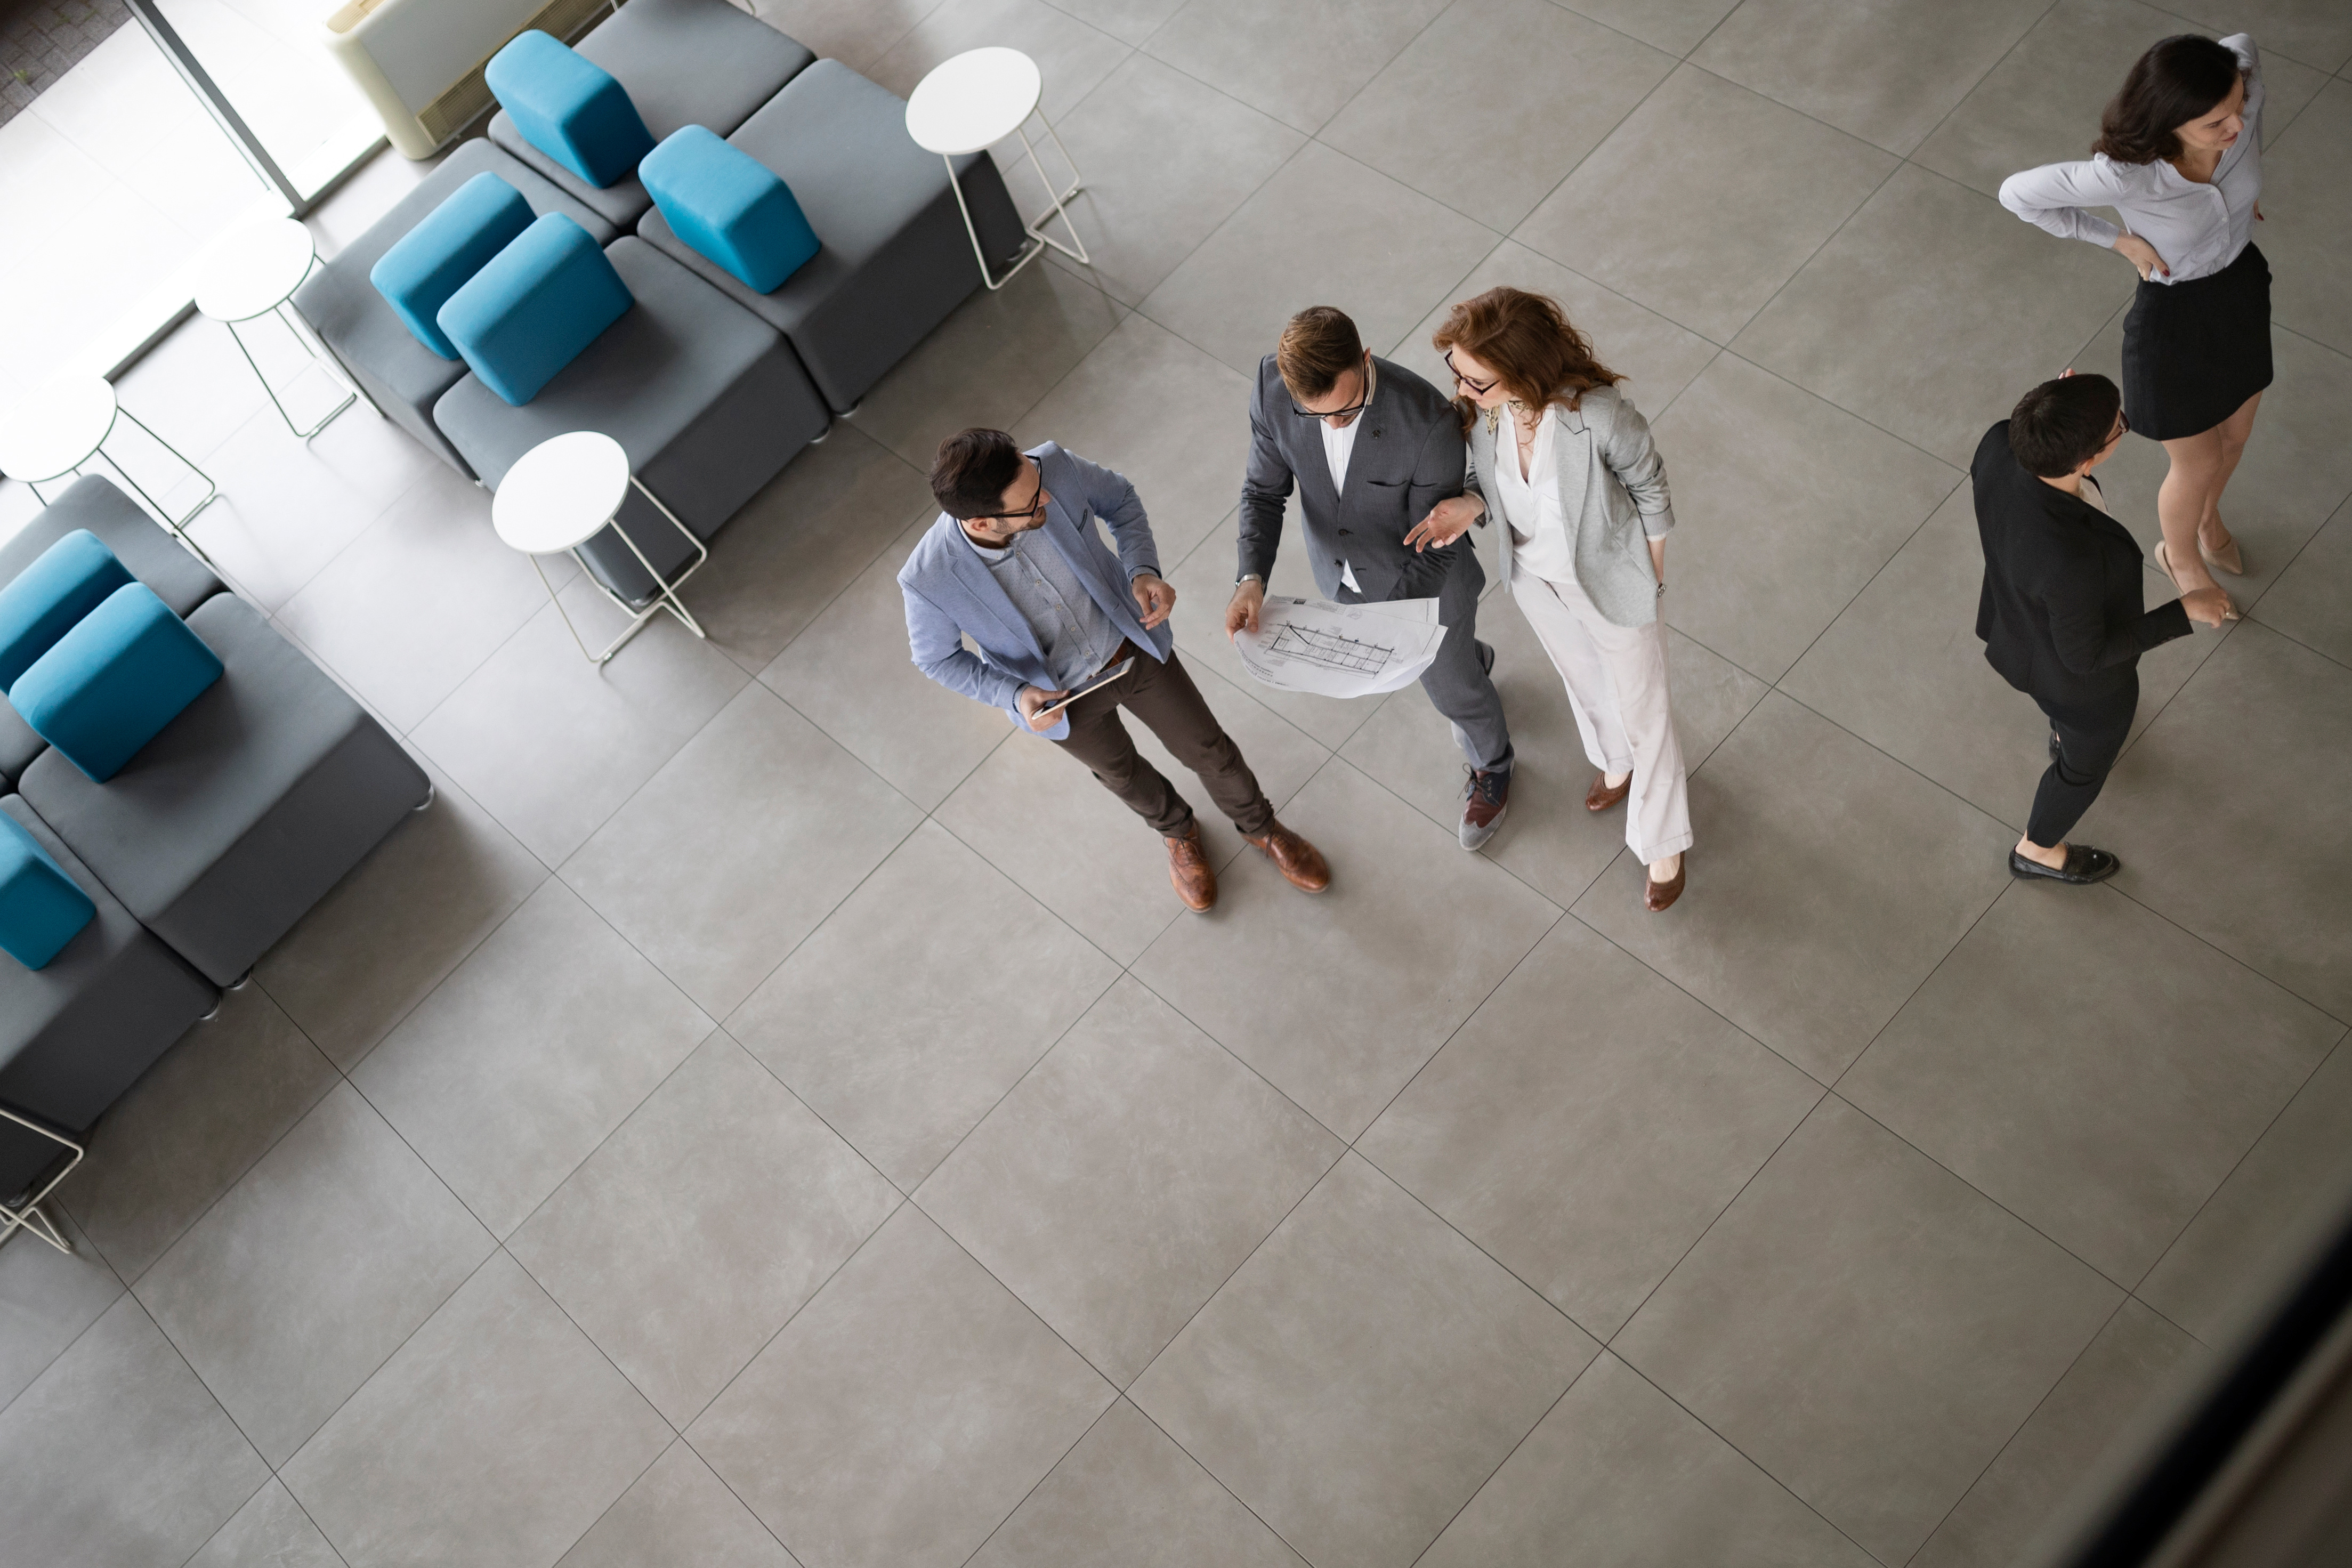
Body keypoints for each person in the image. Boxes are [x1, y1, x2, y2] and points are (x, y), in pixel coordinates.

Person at [901, 429, 1328, 912]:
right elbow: (935, 658)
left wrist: (1141, 569)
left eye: (1035, 479)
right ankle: (1177, 832)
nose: (1045, 495)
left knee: (1210, 749)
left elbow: (1121, 500)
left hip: (1130, 646)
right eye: (1029, 503)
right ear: (981, 523)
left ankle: (1260, 828)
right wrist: (1014, 695)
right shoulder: (927, 578)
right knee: (1122, 774)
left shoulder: (1052, 466)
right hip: (1061, 701)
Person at [1428, 287, 1691, 911]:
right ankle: (1613, 761)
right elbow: (1487, 482)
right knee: (1583, 679)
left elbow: (1651, 489)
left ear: (1521, 368)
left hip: (1610, 582)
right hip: (1533, 577)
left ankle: (1664, 840)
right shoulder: (1486, 414)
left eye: (1477, 380)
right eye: (1458, 374)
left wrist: (1649, 582)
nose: (1463, 391)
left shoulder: (1595, 415)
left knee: (1646, 708)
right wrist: (1471, 503)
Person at [1999, 33, 2272, 609]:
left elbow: (2240, 43)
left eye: (2236, 107)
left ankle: (2206, 519)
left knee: (2236, 437)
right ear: (2168, 123)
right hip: (2173, 320)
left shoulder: (2240, 94)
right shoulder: (2128, 175)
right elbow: (2017, 193)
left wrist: (2235, 206)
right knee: (2196, 461)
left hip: (2241, 291)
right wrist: (2115, 238)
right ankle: (2182, 555)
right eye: (2214, 124)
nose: (2236, 129)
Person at [1227, 305, 1515, 850]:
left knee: (1454, 691)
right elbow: (1264, 493)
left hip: (1429, 587)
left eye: (1346, 410)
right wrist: (1250, 577)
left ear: (1364, 359)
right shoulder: (1271, 387)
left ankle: (1494, 765)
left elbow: (1436, 544)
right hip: (1343, 579)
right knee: (1452, 665)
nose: (1332, 424)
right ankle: (1469, 658)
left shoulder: (1428, 421)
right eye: (1315, 416)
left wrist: (1391, 632)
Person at [1974, 373, 2230, 885]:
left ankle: (2059, 730)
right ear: (2085, 461)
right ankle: (2037, 849)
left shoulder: (1999, 442)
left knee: (2060, 716)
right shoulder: (2070, 561)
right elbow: (2087, 657)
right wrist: (2185, 611)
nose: (2122, 427)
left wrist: (2058, 406)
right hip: (2079, 686)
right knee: (2083, 767)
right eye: (2120, 426)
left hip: (2012, 625)